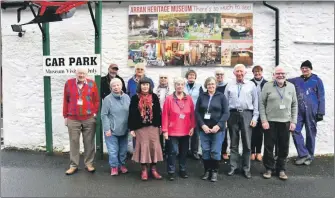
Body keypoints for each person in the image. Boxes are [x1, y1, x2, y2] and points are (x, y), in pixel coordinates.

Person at [260, 66, 298, 180]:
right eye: (278, 73)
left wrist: (293, 121)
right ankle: (269, 168)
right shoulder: (267, 86)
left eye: (282, 73)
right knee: (268, 147)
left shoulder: (291, 87)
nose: (280, 75)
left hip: (285, 122)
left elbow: (294, 105)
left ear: (285, 75)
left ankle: (281, 169)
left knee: (283, 147)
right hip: (270, 122)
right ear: (274, 75)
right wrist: (264, 120)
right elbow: (261, 104)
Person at [63, 67, 100, 175]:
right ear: (76, 73)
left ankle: (89, 164)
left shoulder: (92, 84)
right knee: (74, 142)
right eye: (79, 73)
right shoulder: (69, 83)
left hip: (88, 118)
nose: (81, 75)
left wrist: (94, 113)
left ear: (86, 74)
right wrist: (65, 116)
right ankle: (73, 165)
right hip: (73, 118)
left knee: (89, 142)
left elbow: (96, 100)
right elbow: (66, 100)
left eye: (83, 73)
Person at [224, 64, 259, 179]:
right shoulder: (229, 85)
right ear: (234, 73)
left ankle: (246, 168)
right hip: (232, 114)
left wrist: (255, 118)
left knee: (247, 144)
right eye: (237, 71)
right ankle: (233, 166)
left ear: (245, 73)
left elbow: (256, 102)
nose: (239, 73)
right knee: (233, 143)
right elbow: (225, 103)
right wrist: (225, 118)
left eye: (241, 71)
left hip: (246, 114)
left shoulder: (251, 85)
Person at [288, 60, 325, 165]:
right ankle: (304, 154)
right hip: (299, 111)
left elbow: (321, 96)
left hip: (312, 111)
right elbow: (284, 81)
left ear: (310, 69)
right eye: (303, 68)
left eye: (306, 68)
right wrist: (276, 78)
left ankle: (310, 156)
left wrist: (320, 112)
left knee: (310, 133)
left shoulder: (317, 80)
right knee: (295, 130)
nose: (304, 70)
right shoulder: (297, 80)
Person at [128, 77, 163, 181]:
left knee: (153, 147)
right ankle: (144, 170)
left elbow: (158, 113)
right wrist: (132, 129)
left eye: (147, 85)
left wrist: (160, 125)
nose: (145, 86)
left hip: (153, 127)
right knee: (143, 147)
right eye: (143, 84)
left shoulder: (154, 97)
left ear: (150, 86)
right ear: (140, 86)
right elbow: (131, 113)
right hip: (140, 128)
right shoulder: (135, 98)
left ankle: (153, 169)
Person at [196, 77, 229, 182]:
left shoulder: (221, 97)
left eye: (213, 84)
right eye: (209, 84)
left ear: (216, 85)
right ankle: (207, 170)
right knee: (205, 150)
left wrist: (218, 125)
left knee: (215, 151)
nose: (211, 86)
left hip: (217, 129)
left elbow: (226, 113)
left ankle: (214, 171)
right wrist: (202, 125)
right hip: (204, 129)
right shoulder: (202, 96)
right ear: (206, 85)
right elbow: (197, 112)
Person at [162, 77, 195, 181]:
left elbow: (192, 114)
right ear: (174, 86)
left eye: (181, 84)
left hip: (186, 130)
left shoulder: (189, 98)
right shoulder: (169, 98)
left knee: (184, 152)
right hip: (172, 130)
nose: (179, 86)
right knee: (172, 152)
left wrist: (192, 127)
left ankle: (182, 169)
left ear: (184, 86)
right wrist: (165, 130)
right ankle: (171, 171)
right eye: (177, 84)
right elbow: (165, 115)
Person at [101, 78, 130, 176]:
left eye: (118, 85)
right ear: (111, 87)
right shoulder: (107, 99)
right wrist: (107, 129)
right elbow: (104, 115)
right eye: (114, 86)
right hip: (112, 130)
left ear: (121, 86)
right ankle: (114, 167)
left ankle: (122, 165)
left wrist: (131, 127)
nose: (116, 87)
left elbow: (130, 113)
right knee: (113, 150)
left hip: (124, 129)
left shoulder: (127, 97)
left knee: (123, 150)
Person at [127, 63, 154, 150]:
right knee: (136, 131)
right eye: (138, 69)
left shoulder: (149, 80)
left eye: (141, 69)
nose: (139, 71)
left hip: (146, 109)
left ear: (144, 71)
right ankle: (137, 152)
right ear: (135, 70)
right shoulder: (130, 81)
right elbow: (128, 94)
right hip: (135, 109)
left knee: (146, 132)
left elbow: (151, 94)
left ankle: (146, 153)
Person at [184, 69, 203, 160]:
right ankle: (185, 150)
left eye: (193, 75)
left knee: (195, 133)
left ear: (195, 77)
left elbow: (202, 99)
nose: (191, 77)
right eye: (189, 75)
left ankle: (194, 151)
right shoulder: (182, 86)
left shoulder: (199, 86)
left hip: (195, 112)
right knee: (185, 132)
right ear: (187, 77)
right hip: (184, 113)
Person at [250, 65, 268, 161]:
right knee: (252, 132)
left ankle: (259, 152)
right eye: (255, 72)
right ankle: (252, 152)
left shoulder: (267, 83)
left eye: (259, 72)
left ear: (262, 72)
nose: (257, 73)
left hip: (263, 111)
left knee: (260, 133)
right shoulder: (249, 83)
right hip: (252, 111)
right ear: (253, 73)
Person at [214, 68, 229, 160]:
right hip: (214, 112)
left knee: (224, 132)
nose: (219, 76)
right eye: (217, 74)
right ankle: (216, 151)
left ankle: (224, 151)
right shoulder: (212, 85)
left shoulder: (227, 86)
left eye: (221, 74)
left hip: (223, 112)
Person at [154, 74, 171, 154]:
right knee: (159, 132)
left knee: (168, 132)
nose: (163, 79)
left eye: (165, 77)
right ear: (159, 79)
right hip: (158, 113)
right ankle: (160, 151)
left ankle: (168, 150)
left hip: (169, 114)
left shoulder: (172, 90)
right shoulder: (155, 89)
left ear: (168, 79)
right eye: (161, 77)